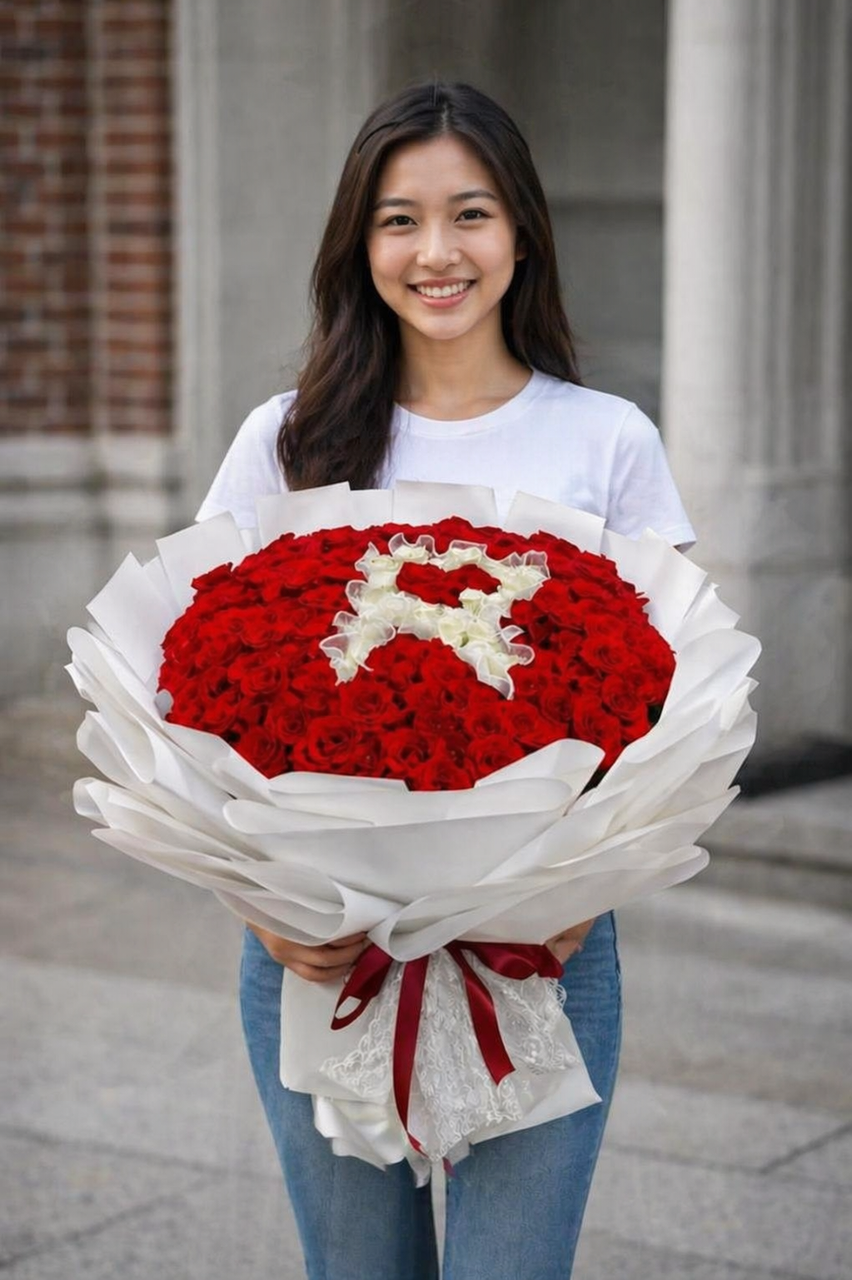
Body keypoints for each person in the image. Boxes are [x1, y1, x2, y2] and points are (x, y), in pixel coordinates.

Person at [197, 80, 695, 1280]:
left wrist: (584, 880)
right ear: (359, 244)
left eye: (469, 213)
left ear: (520, 230)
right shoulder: (289, 437)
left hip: (541, 949)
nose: (437, 252)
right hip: (320, 949)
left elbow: (678, 705)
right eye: (398, 219)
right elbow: (192, 696)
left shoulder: (606, 437)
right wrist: (259, 904)